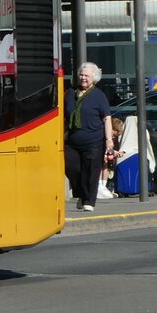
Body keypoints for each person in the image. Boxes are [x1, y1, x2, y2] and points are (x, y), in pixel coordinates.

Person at [65, 61, 113, 212]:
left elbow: (107, 118)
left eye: (86, 75)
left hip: (94, 140)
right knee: (72, 167)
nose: (83, 78)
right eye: (81, 74)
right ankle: (80, 193)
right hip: (72, 140)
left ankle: (89, 201)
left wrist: (109, 140)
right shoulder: (71, 93)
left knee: (91, 171)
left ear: (94, 78)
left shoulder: (99, 96)